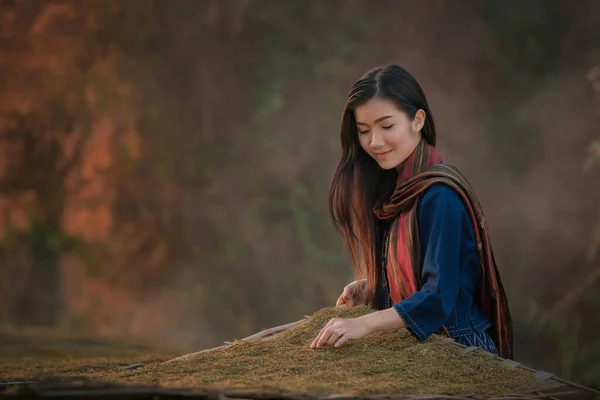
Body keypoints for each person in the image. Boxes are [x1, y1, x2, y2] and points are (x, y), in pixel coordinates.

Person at [309, 64, 513, 360]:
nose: (374, 142)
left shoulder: (439, 194)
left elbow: (438, 296)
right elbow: (419, 273)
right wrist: (376, 287)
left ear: (417, 120)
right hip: (420, 345)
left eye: (387, 126)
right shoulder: (394, 192)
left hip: (459, 346)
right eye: (364, 131)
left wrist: (364, 323)